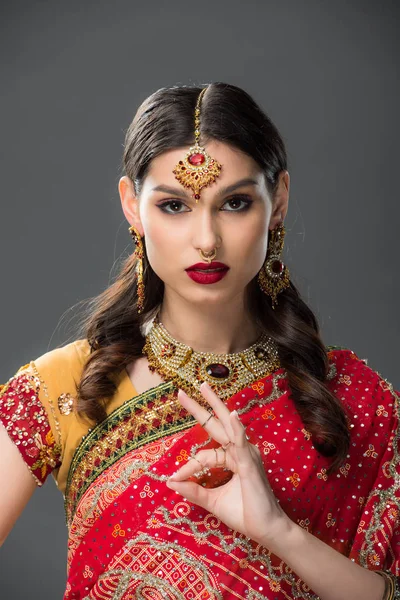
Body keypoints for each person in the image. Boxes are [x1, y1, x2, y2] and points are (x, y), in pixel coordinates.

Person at [0, 82, 398, 600]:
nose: (206, 239)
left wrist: (279, 532)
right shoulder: (65, 388)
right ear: (131, 206)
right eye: (173, 206)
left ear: (277, 202)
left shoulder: (355, 399)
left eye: (234, 203)